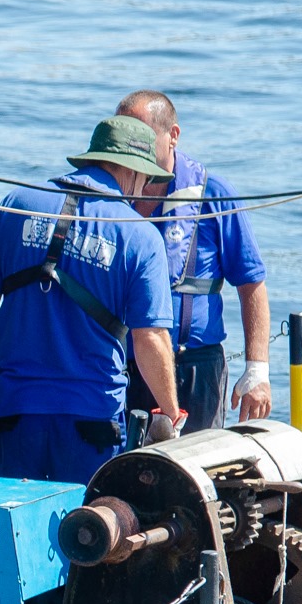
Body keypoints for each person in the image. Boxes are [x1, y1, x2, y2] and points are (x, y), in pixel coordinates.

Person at [0, 116, 181, 484]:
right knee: (84, 533)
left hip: (12, 410)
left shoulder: (18, 202)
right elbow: (150, 338)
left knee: (7, 519)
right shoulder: (140, 236)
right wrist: (169, 414)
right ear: (136, 173)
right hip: (90, 421)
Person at [115, 90, 271, 430]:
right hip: (119, 364)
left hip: (195, 367)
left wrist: (256, 370)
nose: (132, 146)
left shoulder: (213, 194)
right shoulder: (110, 195)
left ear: (172, 136)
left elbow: (251, 284)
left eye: (142, 136)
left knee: (195, 474)